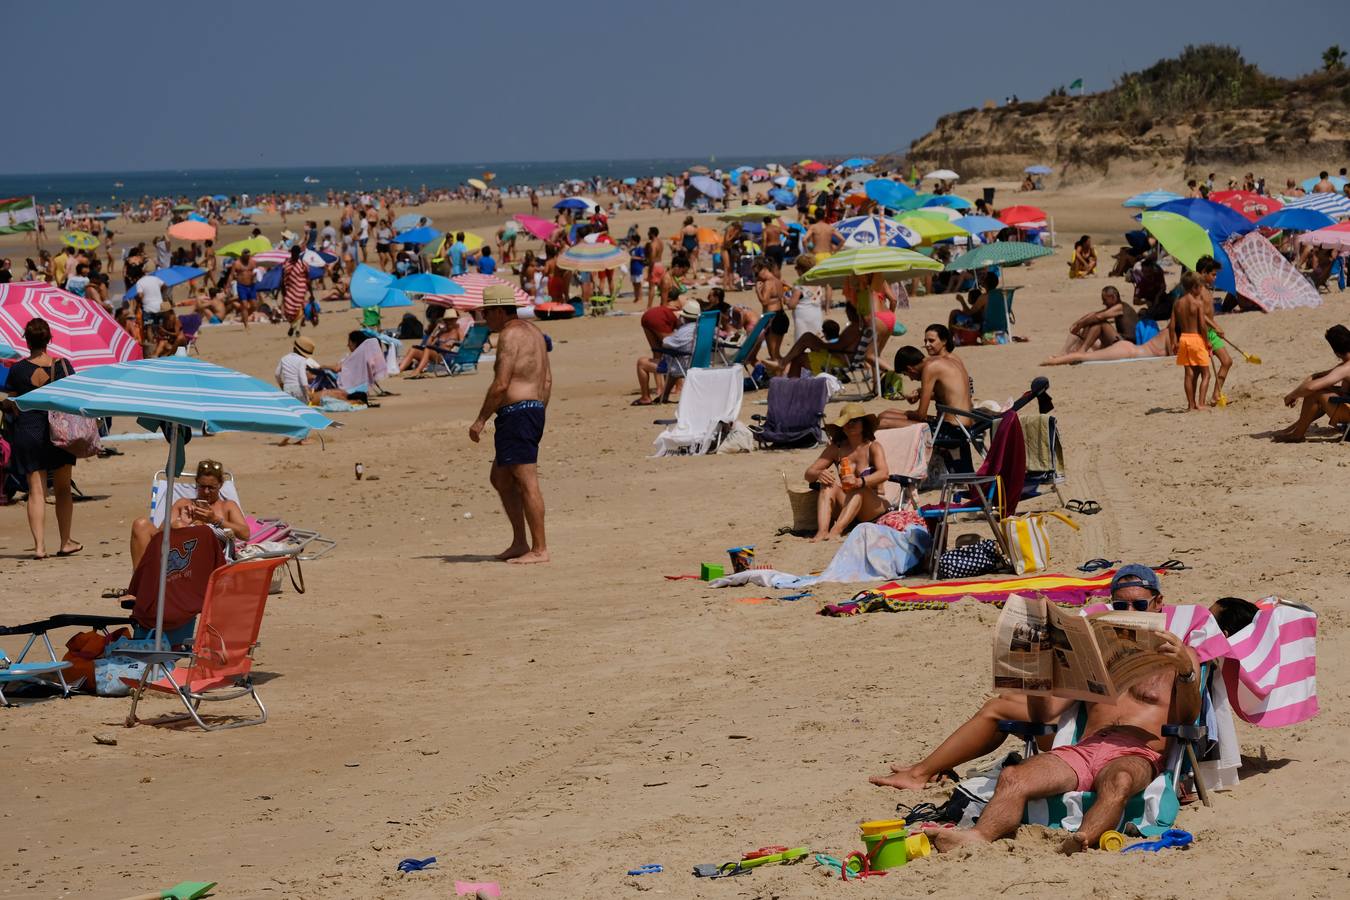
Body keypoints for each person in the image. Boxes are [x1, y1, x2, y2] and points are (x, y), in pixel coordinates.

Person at [922, 565, 1200, 856]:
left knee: (1119, 781)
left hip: (1138, 752)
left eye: (1139, 604)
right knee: (1012, 777)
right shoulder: (1097, 653)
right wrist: (1034, 678)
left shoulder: (1179, 657)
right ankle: (980, 836)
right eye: (1120, 605)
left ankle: (1081, 839)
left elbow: (1188, 717)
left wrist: (1186, 672)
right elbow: (1045, 715)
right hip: (1084, 749)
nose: (1130, 610)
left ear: (1158, 604)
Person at [469, 284, 553, 564]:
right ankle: (520, 542)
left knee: (527, 481)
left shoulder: (509, 334)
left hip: (518, 412)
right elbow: (548, 380)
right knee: (501, 477)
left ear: (499, 310)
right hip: (532, 409)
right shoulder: (535, 333)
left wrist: (481, 420)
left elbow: (501, 383)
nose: (484, 319)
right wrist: (538, 408)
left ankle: (540, 549)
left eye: (486, 313)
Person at [1, 318, 81, 559]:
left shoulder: (17, 370)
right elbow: (73, 397)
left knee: (36, 491)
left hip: (28, 431)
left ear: (26, 340)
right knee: (63, 488)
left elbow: (12, 403)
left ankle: (39, 547)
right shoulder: (62, 365)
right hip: (59, 433)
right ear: (50, 339)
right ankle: (65, 542)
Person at [127, 458, 246, 569]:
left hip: (209, 562)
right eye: (202, 486)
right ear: (196, 483)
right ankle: (139, 582)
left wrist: (215, 519)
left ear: (220, 485)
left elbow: (245, 534)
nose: (206, 492)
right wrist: (181, 522)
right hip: (174, 556)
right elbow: (160, 533)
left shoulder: (227, 506)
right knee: (141, 525)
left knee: (195, 529)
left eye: (211, 488)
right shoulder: (183, 503)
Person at [803, 404, 890, 542]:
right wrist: (818, 474)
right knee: (827, 486)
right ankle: (822, 532)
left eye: (855, 421)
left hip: (872, 507)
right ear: (841, 426)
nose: (850, 424)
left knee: (858, 488)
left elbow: (884, 474)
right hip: (848, 507)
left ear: (864, 424)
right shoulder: (836, 449)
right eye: (846, 421)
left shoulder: (873, 447)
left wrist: (860, 481)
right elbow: (808, 474)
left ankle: (836, 531)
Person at [1273, 324, 1350, 442]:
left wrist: (1292, 396)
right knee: (1325, 390)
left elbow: (1310, 387)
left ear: (1336, 353)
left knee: (1315, 393)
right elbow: (1316, 376)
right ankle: (1295, 428)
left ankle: (1297, 435)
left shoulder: (1345, 368)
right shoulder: (1344, 367)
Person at [878, 344, 974, 437]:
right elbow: (948, 395)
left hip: (953, 430)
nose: (911, 379)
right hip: (961, 423)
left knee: (883, 421)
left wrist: (906, 413)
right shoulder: (939, 361)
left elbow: (921, 415)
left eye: (907, 375)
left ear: (910, 369)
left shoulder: (929, 368)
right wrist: (920, 394)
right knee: (887, 413)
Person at [1168, 271, 1211, 411]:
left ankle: (1190, 404)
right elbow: (1203, 326)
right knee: (1206, 374)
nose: (1201, 290)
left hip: (1183, 339)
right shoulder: (1197, 303)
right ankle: (1201, 402)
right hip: (1196, 339)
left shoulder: (1177, 303)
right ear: (1194, 287)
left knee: (1189, 374)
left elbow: (1172, 326)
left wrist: (1173, 342)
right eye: (1200, 287)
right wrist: (1207, 341)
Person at [633, 292, 684, 405]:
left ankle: (656, 390)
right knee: (669, 351)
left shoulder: (669, 309)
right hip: (686, 363)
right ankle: (674, 387)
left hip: (648, 316)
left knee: (656, 352)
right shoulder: (695, 333)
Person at [1195, 256, 1232, 406]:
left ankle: (1216, 395)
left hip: (1211, 331)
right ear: (1204, 272)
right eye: (1213, 274)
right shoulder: (1197, 290)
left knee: (1227, 361)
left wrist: (1215, 327)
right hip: (1202, 333)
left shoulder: (1207, 289)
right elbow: (1200, 315)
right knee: (1201, 373)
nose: (1215, 278)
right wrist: (1214, 328)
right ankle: (1198, 403)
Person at [1061, 285, 1137, 354]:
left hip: (1128, 343)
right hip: (1120, 340)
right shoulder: (1115, 307)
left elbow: (1099, 317)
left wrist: (1080, 325)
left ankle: (1081, 350)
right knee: (1089, 323)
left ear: (1113, 297)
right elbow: (1095, 314)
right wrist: (1077, 323)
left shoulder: (1120, 307)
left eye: (1105, 299)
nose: (1103, 303)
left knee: (1100, 323)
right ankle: (1065, 351)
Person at [784, 254, 824, 342]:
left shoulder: (799, 285)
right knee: (816, 338)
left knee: (803, 340)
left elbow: (792, 305)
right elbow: (808, 294)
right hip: (816, 314)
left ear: (800, 269)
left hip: (803, 317)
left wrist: (784, 299)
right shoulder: (817, 282)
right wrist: (790, 287)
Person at [276, 335, 320, 404]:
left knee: (290, 407)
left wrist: (281, 384)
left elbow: (277, 374)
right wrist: (307, 390)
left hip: (287, 387)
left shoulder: (284, 358)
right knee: (303, 407)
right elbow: (302, 376)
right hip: (299, 388)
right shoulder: (302, 360)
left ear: (294, 348)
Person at [224, 249, 259, 330]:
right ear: (242, 255)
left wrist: (255, 275)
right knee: (244, 304)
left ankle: (244, 317)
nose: (248, 258)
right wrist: (227, 286)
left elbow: (256, 271)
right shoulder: (237, 263)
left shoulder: (253, 262)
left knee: (254, 305)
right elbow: (231, 275)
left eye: (249, 256)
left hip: (251, 285)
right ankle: (246, 324)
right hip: (241, 286)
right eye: (246, 256)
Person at [282, 245, 309, 337]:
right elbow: (282, 278)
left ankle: (297, 329)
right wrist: (282, 290)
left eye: (296, 254)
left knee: (299, 309)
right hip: (289, 290)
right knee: (288, 311)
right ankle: (292, 325)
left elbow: (307, 278)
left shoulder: (302, 264)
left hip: (300, 290)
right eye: (293, 254)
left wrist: (311, 293)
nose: (295, 256)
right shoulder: (287, 264)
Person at [644, 226, 665, 307]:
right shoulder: (660, 242)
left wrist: (650, 270)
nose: (648, 234)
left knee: (651, 288)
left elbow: (652, 258)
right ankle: (663, 304)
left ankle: (649, 306)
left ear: (652, 234)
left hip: (654, 265)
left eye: (649, 233)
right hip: (660, 264)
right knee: (661, 287)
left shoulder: (653, 244)